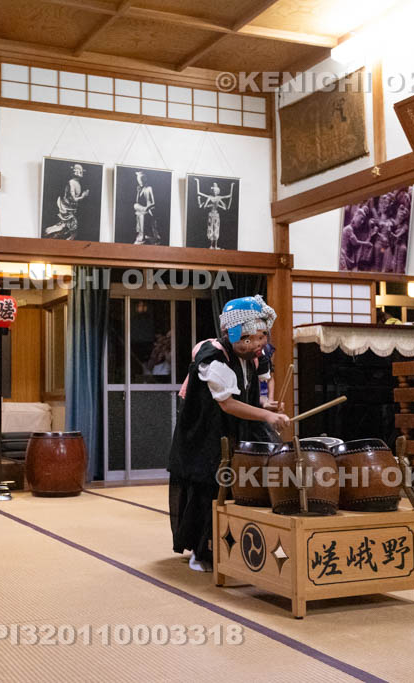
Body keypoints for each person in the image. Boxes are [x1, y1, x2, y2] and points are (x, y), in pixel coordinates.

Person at [168, 295, 290, 572]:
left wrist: (264, 405)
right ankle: (201, 552)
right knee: (208, 487)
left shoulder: (251, 356)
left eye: (261, 336)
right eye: (251, 338)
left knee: (240, 484)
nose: (258, 344)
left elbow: (246, 395)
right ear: (233, 334)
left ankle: (235, 547)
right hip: (205, 431)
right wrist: (268, 415)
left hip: (234, 428)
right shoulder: (212, 358)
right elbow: (227, 403)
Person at [45, 163, 90, 239]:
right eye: (80, 171)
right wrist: (83, 196)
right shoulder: (71, 182)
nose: (81, 173)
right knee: (71, 229)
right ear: (76, 172)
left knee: (71, 231)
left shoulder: (77, 182)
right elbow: (74, 199)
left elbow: (75, 200)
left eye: (81, 171)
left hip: (72, 210)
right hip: (67, 210)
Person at [132, 171, 157, 245]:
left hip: (150, 209)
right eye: (139, 181)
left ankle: (142, 235)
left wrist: (147, 208)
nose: (140, 182)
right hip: (144, 208)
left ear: (145, 179)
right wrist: (138, 192)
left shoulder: (150, 188)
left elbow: (154, 203)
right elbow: (137, 202)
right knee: (135, 205)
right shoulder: (142, 189)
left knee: (142, 215)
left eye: (141, 180)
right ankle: (141, 234)